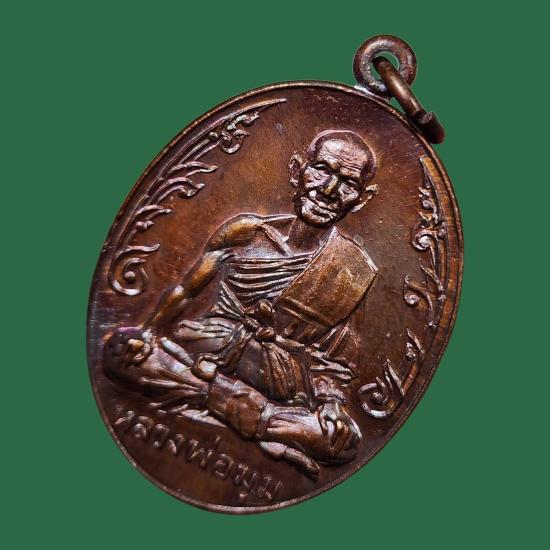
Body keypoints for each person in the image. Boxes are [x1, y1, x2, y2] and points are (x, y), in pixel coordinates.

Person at [104, 130, 379, 478]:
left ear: (362, 199)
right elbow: (186, 292)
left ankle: (208, 397)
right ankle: (263, 425)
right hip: (211, 347)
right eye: (322, 169)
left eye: (347, 183)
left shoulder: (353, 269)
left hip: (280, 380)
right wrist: (148, 331)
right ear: (297, 170)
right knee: (119, 352)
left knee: (345, 442)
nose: (328, 190)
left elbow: (337, 358)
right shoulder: (245, 232)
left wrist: (331, 404)